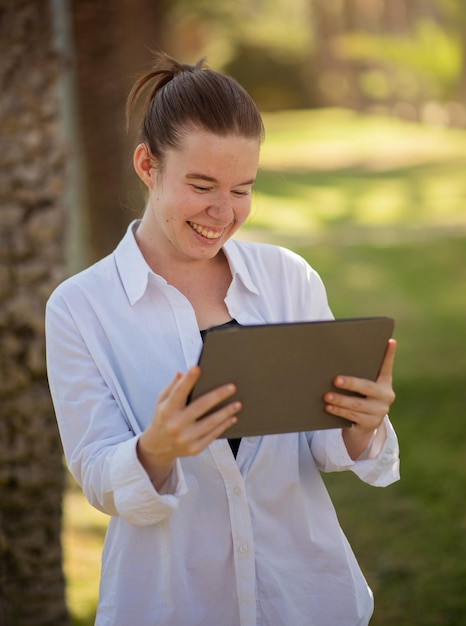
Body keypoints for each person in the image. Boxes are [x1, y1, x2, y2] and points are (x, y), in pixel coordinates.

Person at [46, 52, 399, 626]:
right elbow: (96, 476)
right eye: (202, 185)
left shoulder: (289, 279)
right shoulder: (81, 308)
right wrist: (155, 448)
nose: (223, 212)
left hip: (305, 596)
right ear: (147, 165)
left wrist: (362, 423)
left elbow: (325, 447)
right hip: (169, 602)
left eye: (242, 189)